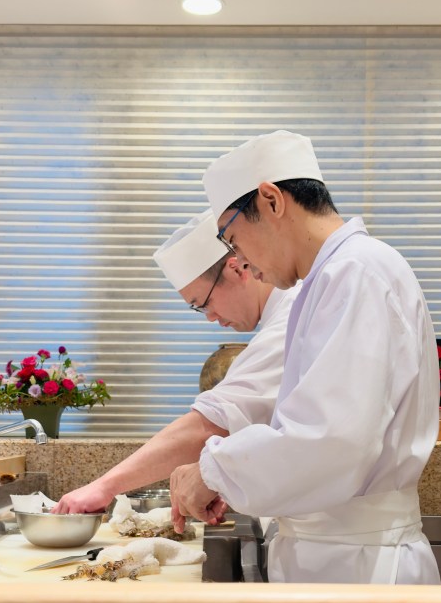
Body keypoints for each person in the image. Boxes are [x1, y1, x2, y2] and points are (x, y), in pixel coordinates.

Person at [170, 130, 441, 585]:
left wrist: (213, 470)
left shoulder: (356, 273)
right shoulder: (329, 278)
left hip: (361, 568)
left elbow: (330, 441)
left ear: (272, 201)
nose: (241, 261)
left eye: (234, 240)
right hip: (338, 558)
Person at [53, 209, 298, 513]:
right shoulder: (286, 313)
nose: (210, 318)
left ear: (237, 269)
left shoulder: (288, 322)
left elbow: (208, 426)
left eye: (203, 303)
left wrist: (103, 487)